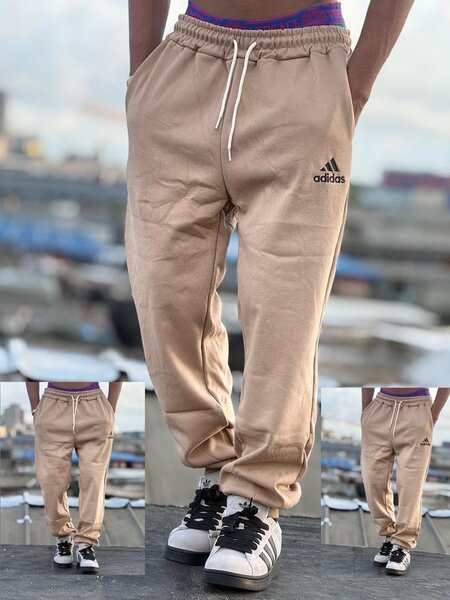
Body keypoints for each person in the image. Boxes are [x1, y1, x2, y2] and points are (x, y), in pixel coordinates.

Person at [126, 0, 415, 591]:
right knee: (162, 293)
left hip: (304, 68)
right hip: (188, 62)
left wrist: (353, 90)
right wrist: (143, 73)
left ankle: (257, 498)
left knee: (285, 309)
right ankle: (216, 474)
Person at [27, 381, 122, 573]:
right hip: (52, 406)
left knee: (94, 480)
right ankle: (63, 537)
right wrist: (36, 408)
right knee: (51, 480)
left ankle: (86, 544)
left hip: (94, 406)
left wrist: (110, 408)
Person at [361, 387, 449, 576]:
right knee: (372, 479)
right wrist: (366, 410)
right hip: (381, 407)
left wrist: (433, 415)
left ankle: (402, 545)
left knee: (411, 485)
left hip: (417, 410)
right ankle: (389, 535)